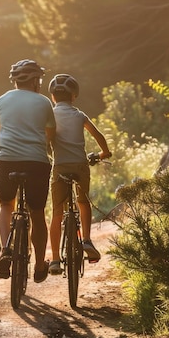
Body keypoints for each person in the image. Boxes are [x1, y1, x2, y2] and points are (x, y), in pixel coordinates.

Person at [0, 59, 56, 283]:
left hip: (7, 162)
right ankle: (40, 263)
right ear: (35, 80)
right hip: (36, 163)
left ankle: (6, 249)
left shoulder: (2, 100)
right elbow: (50, 136)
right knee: (37, 212)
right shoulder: (44, 103)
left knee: (6, 204)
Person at [48, 74, 112, 275]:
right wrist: (104, 153)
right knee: (83, 202)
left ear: (52, 96)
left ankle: (56, 260)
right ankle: (86, 240)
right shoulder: (79, 115)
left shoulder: (49, 115)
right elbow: (99, 136)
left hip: (59, 166)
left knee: (57, 213)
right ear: (73, 96)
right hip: (80, 166)